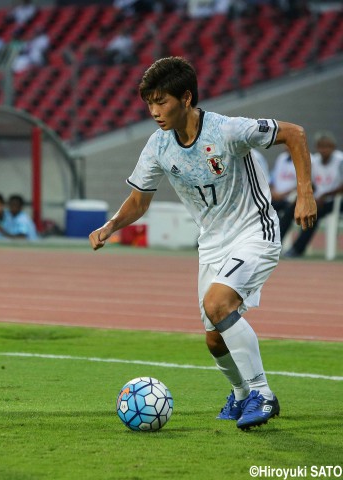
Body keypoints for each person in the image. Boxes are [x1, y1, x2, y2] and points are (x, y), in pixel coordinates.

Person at [89, 57, 317, 430]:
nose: (154, 111)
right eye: (149, 103)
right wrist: (111, 225)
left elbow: (295, 133)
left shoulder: (227, 131)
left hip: (254, 231)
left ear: (186, 98)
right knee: (214, 339)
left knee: (217, 303)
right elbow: (140, 200)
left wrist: (305, 192)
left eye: (161, 101)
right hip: (212, 244)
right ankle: (241, 394)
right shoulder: (159, 146)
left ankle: (263, 394)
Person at [283, 131, 343, 257]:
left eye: (327, 147)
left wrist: (325, 195)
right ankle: (275, 245)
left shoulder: (340, 160)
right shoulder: (314, 161)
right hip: (319, 199)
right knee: (290, 210)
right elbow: (312, 184)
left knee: (312, 214)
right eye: (321, 147)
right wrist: (304, 197)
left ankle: (296, 250)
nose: (324, 150)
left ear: (333, 147)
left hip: (336, 200)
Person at [269, 146, 297, 241]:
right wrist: (273, 192)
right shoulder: (281, 158)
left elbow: (303, 183)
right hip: (277, 196)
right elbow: (272, 179)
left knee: (288, 213)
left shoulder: (308, 159)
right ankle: (261, 242)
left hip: (292, 198)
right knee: (263, 210)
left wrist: (284, 194)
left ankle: (276, 242)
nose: (287, 147)